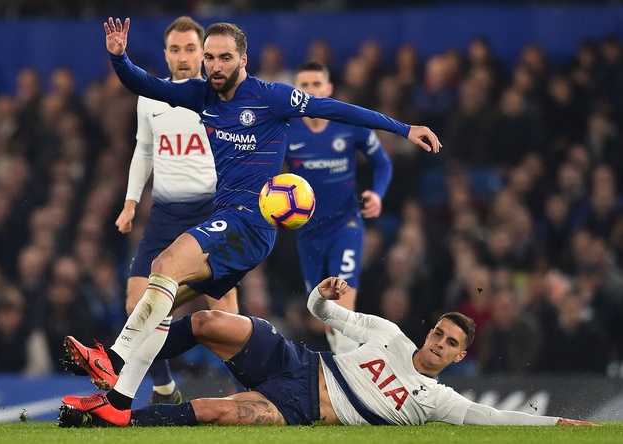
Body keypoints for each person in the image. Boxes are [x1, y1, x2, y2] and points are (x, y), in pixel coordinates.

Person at [62, 17, 441, 414]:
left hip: (251, 219)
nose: (216, 66)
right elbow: (147, 85)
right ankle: (119, 402)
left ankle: (113, 360)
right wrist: (119, 58)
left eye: (225, 58)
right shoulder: (201, 95)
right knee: (163, 295)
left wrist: (403, 128)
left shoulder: (271, 97)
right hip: (233, 222)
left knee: (165, 263)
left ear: (243, 59)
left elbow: (338, 109)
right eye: (209, 58)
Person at [59, 276, 596, 427]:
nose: (438, 343)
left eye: (450, 344)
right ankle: (117, 366)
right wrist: (324, 293)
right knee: (204, 320)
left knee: (209, 412)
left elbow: (489, 416)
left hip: (299, 408)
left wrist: (554, 427)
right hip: (297, 362)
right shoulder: (390, 335)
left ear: (458, 357)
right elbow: (323, 312)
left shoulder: (434, 400)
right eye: (438, 333)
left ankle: (111, 422)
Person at [111, 16, 238, 405]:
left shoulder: (217, 97)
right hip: (165, 214)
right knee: (137, 304)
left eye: (190, 49)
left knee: (224, 319)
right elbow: (144, 150)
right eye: (175, 49)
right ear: (165, 54)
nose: (183, 57)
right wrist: (131, 202)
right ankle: (165, 389)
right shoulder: (150, 96)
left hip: (210, 212)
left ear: (203, 53)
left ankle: (249, 392)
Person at [285, 61, 392, 353]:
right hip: (307, 232)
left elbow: (382, 162)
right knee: (325, 318)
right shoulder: (285, 130)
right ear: (296, 91)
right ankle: (345, 362)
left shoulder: (349, 124)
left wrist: (377, 194)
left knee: (343, 308)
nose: (311, 91)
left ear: (328, 89)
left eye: (316, 84)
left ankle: (352, 383)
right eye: (304, 86)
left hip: (346, 226)